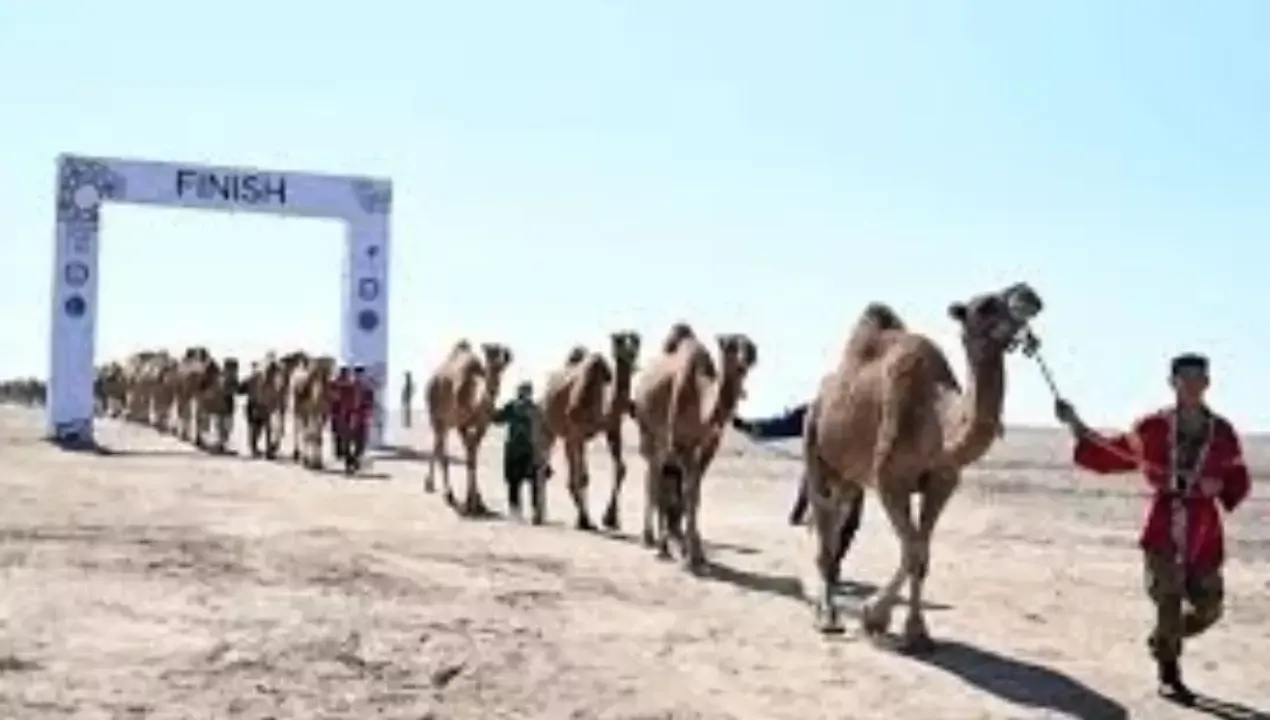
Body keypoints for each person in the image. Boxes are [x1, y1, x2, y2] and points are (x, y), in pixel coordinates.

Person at [1054, 352, 1250, 705]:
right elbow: (1112, 452)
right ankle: (1169, 673)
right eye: (1184, 377)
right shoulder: (1153, 427)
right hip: (1164, 526)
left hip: (1204, 529)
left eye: (1199, 378)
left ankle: (1164, 638)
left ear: (1208, 383)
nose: (1192, 384)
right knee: (1169, 600)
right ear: (1172, 382)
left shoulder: (1223, 432)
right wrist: (1075, 425)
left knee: (1210, 607)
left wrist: (1219, 486)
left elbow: (1237, 475)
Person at [731, 402, 865, 556]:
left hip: (846, 473)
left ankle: (804, 519)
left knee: (848, 521)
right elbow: (781, 426)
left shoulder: (855, 410)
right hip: (828, 471)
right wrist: (748, 427)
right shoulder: (819, 409)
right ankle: (801, 516)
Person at [492, 381, 546, 521]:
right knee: (530, 483)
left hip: (517, 449)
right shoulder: (535, 409)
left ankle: (518, 511)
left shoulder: (513, 406)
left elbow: (497, 419)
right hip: (528, 449)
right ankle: (534, 511)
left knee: (515, 483)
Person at [328, 366, 354, 461]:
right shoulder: (337, 383)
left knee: (341, 434)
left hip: (342, 412)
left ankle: (342, 452)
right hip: (339, 412)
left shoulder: (337, 383)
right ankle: (340, 451)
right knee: (339, 433)